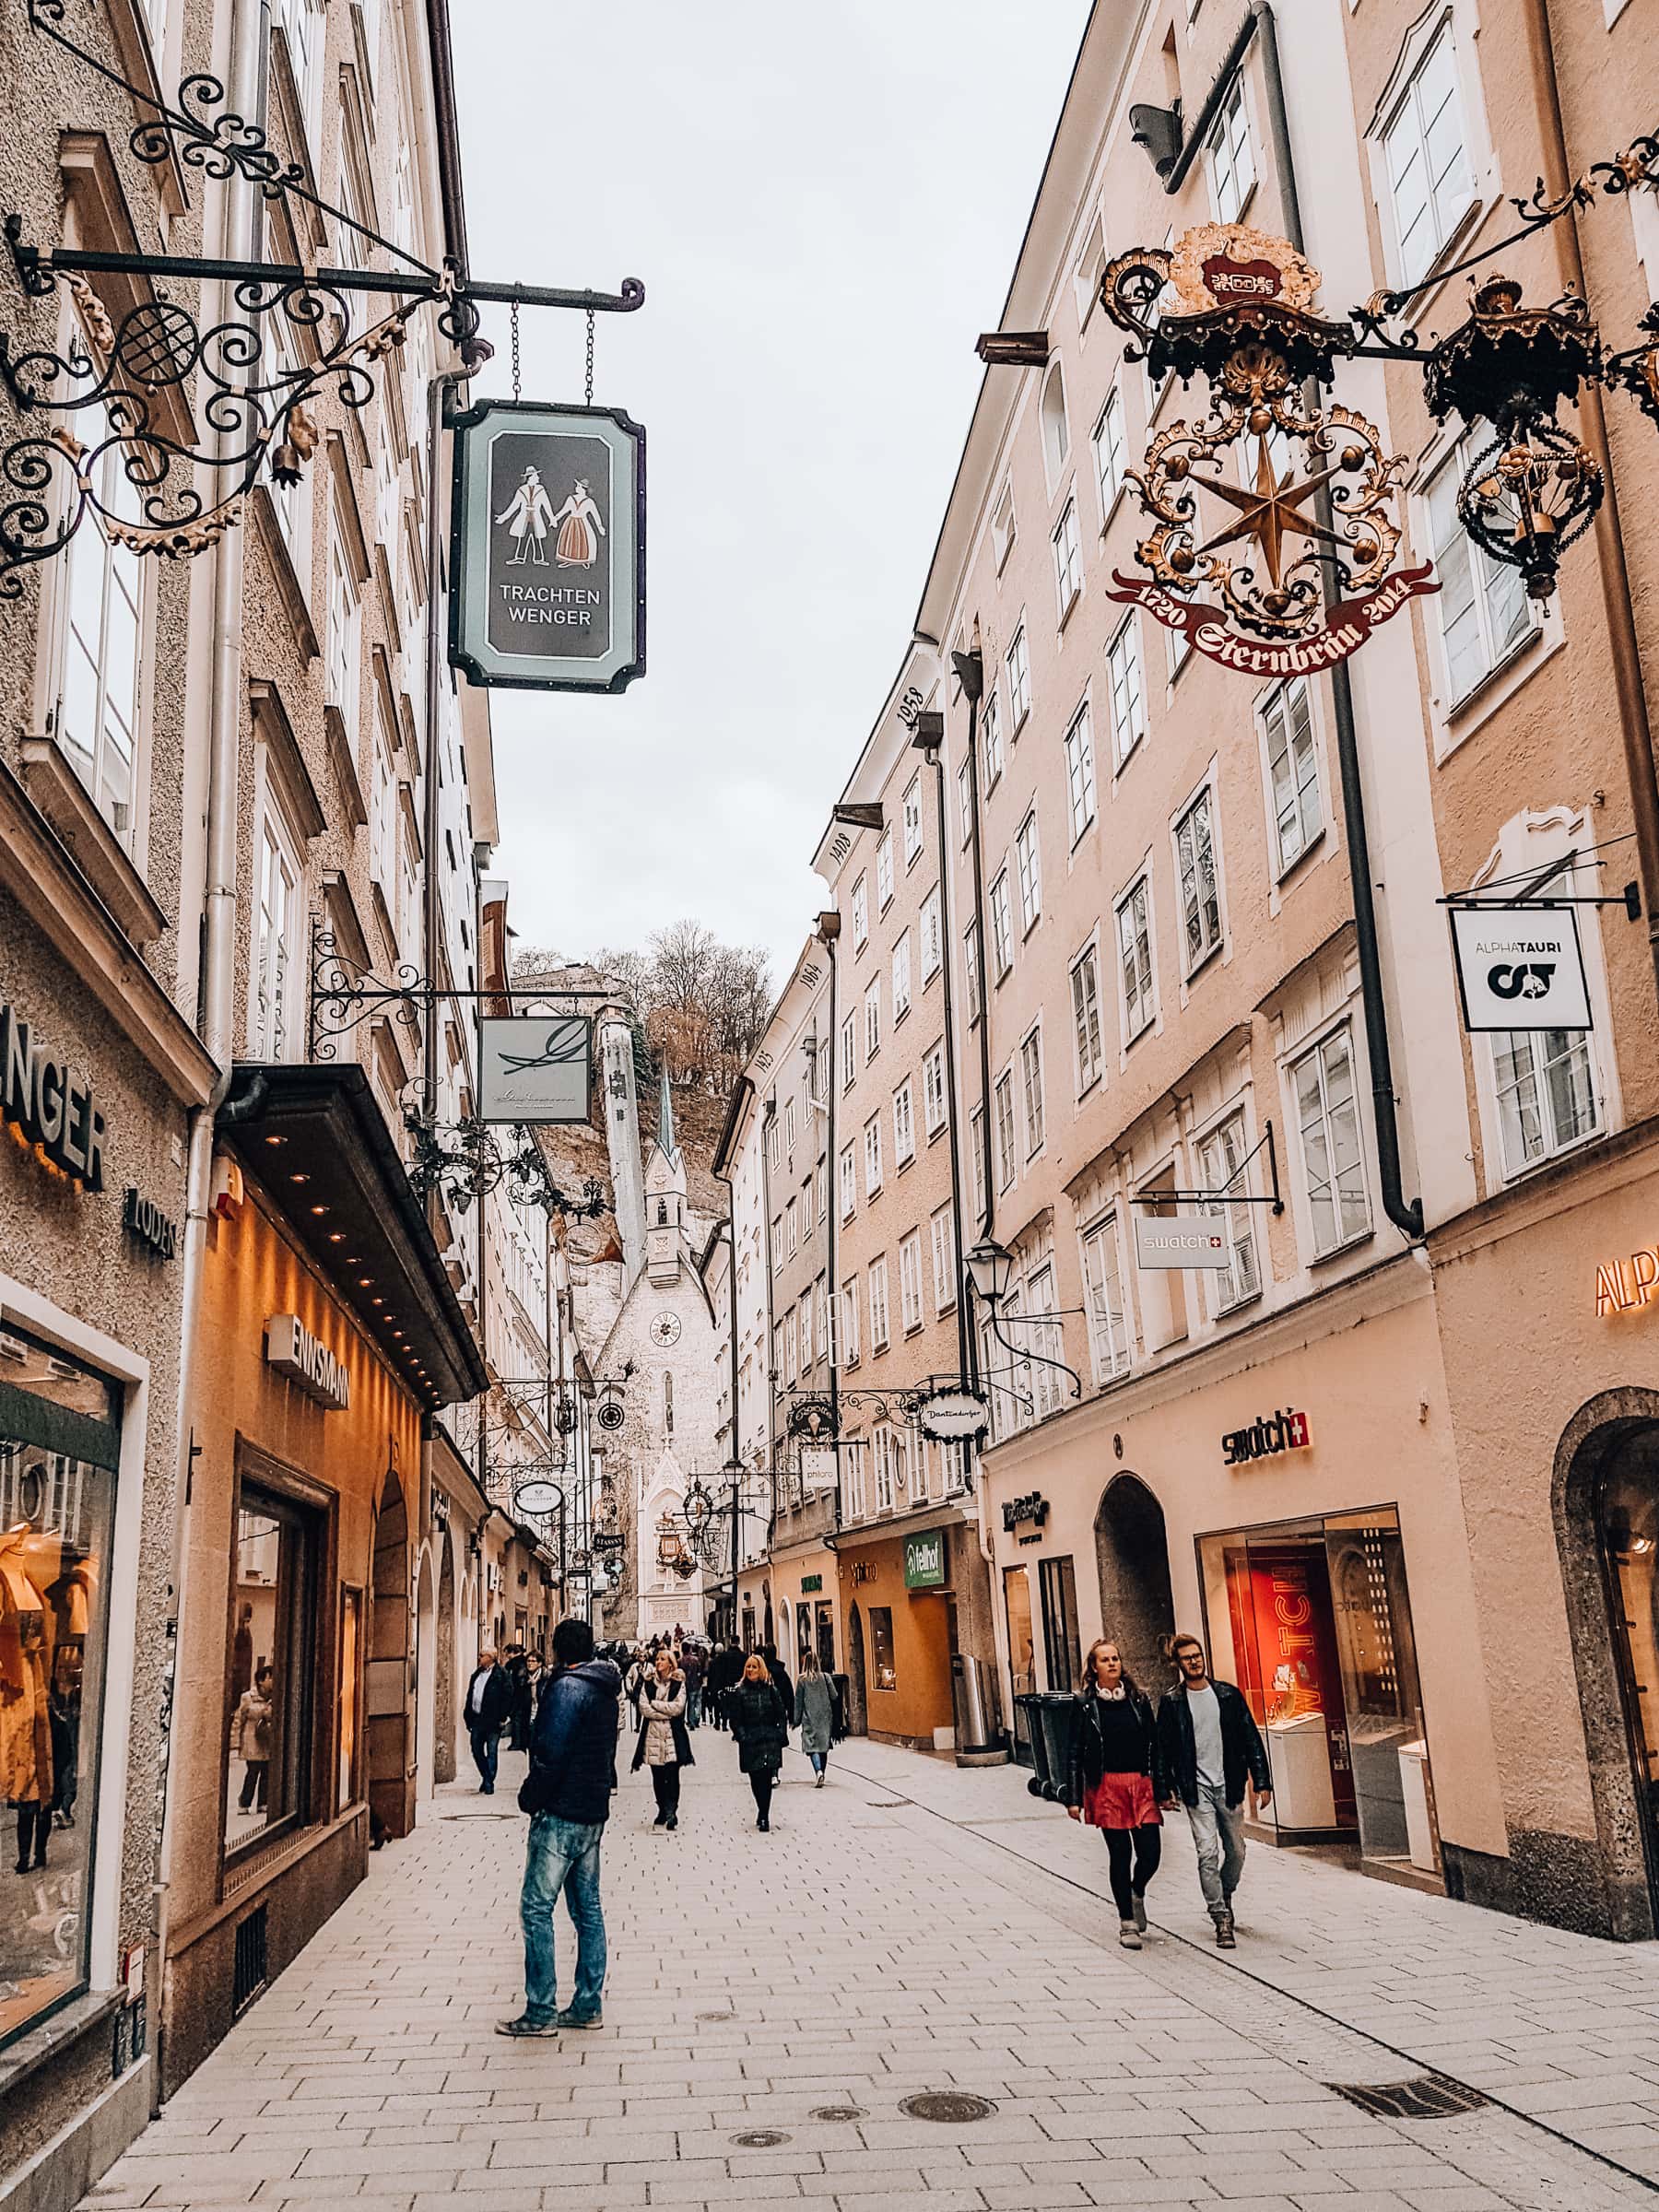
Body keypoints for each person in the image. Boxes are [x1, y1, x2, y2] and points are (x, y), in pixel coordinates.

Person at [499, 1618, 621, 2039]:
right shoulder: (605, 1687)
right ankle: (588, 2003)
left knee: (536, 1908)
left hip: (561, 1813)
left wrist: (530, 1796)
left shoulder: (567, 1689)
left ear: (557, 1649)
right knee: (588, 1910)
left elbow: (550, 1751)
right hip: (592, 1809)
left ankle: (540, 2009)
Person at [1157, 1631, 1272, 1949]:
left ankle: (1225, 1891)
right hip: (1197, 1789)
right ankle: (1221, 1916)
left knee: (1236, 1850)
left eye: (1197, 1656)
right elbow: (1163, 1749)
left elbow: (1250, 1738)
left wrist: (1262, 1780)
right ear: (1177, 1664)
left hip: (1230, 1784)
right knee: (1207, 1851)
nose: (1194, 1661)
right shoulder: (1172, 1702)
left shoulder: (1227, 1695)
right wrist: (1164, 1787)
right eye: (1187, 1658)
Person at [1065, 1639, 1164, 1949]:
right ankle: (1127, 1922)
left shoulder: (1138, 1699)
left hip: (1140, 1784)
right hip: (1106, 1787)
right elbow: (1074, 1752)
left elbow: (1155, 1744)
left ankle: (1137, 1892)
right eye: (1105, 1660)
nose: (1112, 1663)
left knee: (1150, 1853)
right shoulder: (1084, 1704)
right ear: (1094, 1668)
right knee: (1120, 1854)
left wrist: (1163, 1787)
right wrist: (1073, 1797)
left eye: (1116, 1658)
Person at [630, 1648, 693, 1829]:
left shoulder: (678, 1683)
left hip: (672, 1735)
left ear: (670, 1663)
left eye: (663, 1659)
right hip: (652, 1735)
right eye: (657, 1659)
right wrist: (663, 1713)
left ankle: (671, 1811)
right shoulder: (648, 1683)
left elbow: (678, 1708)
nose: (658, 1662)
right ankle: (661, 1809)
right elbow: (644, 1708)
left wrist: (656, 1705)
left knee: (672, 1775)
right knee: (657, 1776)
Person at [728, 1653, 788, 1830]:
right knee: (755, 1779)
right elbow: (735, 1719)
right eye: (748, 1666)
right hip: (751, 1741)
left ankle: (764, 1815)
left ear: (760, 1669)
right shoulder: (740, 1692)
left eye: (754, 1667)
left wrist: (779, 1734)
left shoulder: (771, 1690)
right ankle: (761, 1809)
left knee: (767, 1778)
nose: (751, 1670)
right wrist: (742, 1736)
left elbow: (781, 1714)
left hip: (769, 1740)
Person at [464, 1648, 512, 1795]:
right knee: (476, 1750)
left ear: (490, 1657)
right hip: (477, 1719)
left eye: (482, 1655)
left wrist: (502, 1717)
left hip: (493, 1720)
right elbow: (471, 1694)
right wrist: (467, 1716)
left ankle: (489, 1783)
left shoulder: (501, 1675)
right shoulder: (477, 1674)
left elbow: (508, 1696)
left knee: (491, 1751)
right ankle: (486, 1776)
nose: (479, 1657)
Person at [233, 1665, 275, 1812]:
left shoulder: (274, 1697)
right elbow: (239, 1719)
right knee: (252, 1772)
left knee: (267, 1773)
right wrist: (236, 1742)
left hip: (268, 1740)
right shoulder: (248, 1697)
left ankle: (263, 1803)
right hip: (252, 1740)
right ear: (261, 1680)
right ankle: (244, 1803)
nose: (272, 1681)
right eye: (270, 1677)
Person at [794, 1649, 837, 1787]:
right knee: (823, 1746)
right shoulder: (826, 1677)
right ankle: (821, 1773)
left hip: (809, 1718)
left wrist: (796, 1720)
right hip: (825, 1716)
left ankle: (818, 1771)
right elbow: (834, 1695)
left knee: (812, 1747)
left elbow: (798, 1702)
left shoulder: (802, 1680)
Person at [512, 1651, 545, 1751]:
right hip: (527, 1716)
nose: (529, 1663)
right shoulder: (522, 1678)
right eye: (528, 1661)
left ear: (539, 1663)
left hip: (541, 1716)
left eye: (533, 1661)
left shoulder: (546, 1677)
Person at [680, 1641, 706, 1729]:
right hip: (695, 1684)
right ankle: (694, 1720)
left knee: (683, 1704)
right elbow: (700, 1672)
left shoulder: (680, 1661)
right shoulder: (696, 1660)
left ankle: (684, 1720)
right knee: (695, 1703)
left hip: (684, 1685)